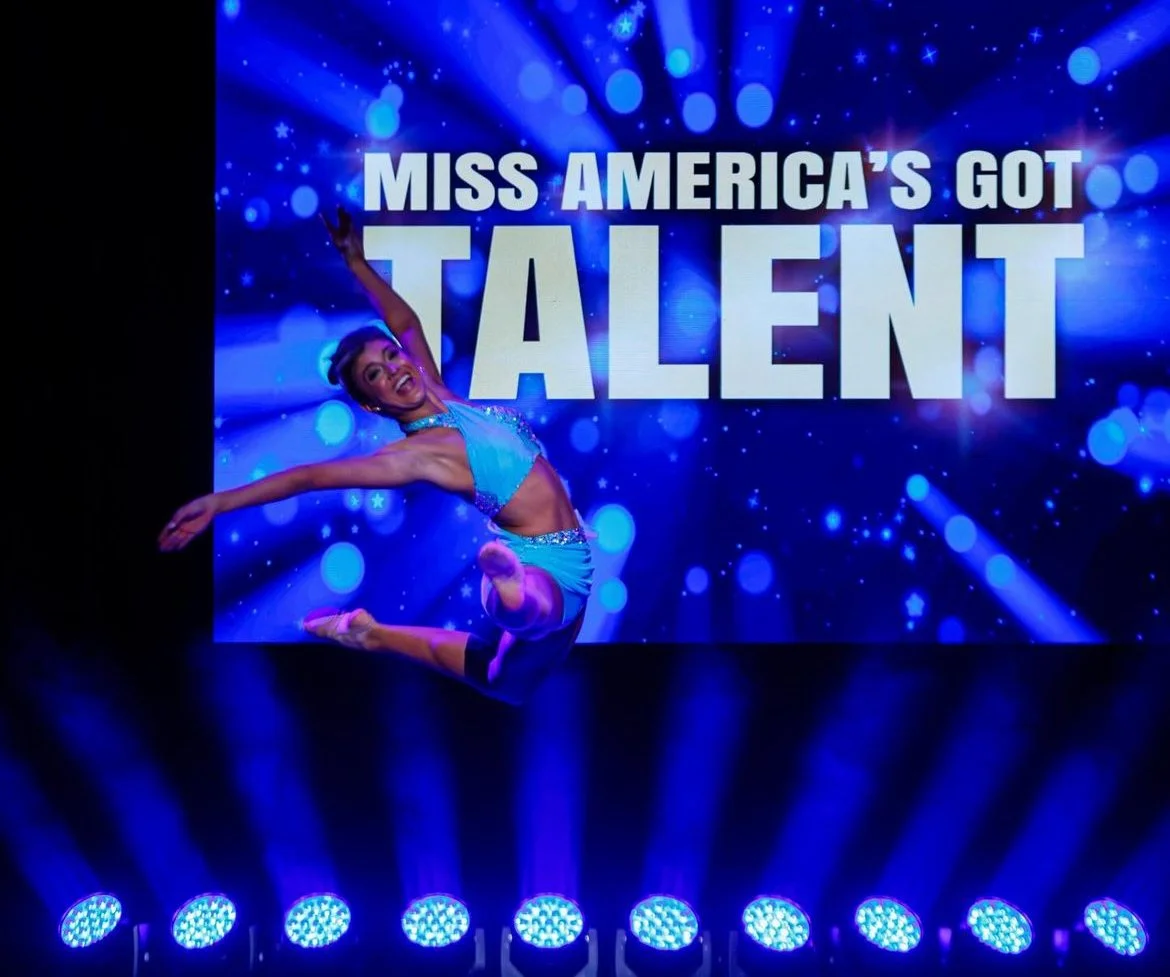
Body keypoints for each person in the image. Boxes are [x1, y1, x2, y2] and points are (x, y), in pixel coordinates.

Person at [159, 206, 594, 705]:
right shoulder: (416, 455)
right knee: (534, 609)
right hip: (541, 563)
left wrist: (357, 263)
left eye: (391, 357)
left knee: (507, 682)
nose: (393, 370)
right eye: (375, 377)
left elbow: (404, 321)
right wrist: (220, 502)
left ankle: (374, 634)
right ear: (371, 403)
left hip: (570, 549)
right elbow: (309, 477)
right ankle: (508, 591)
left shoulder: (438, 391)